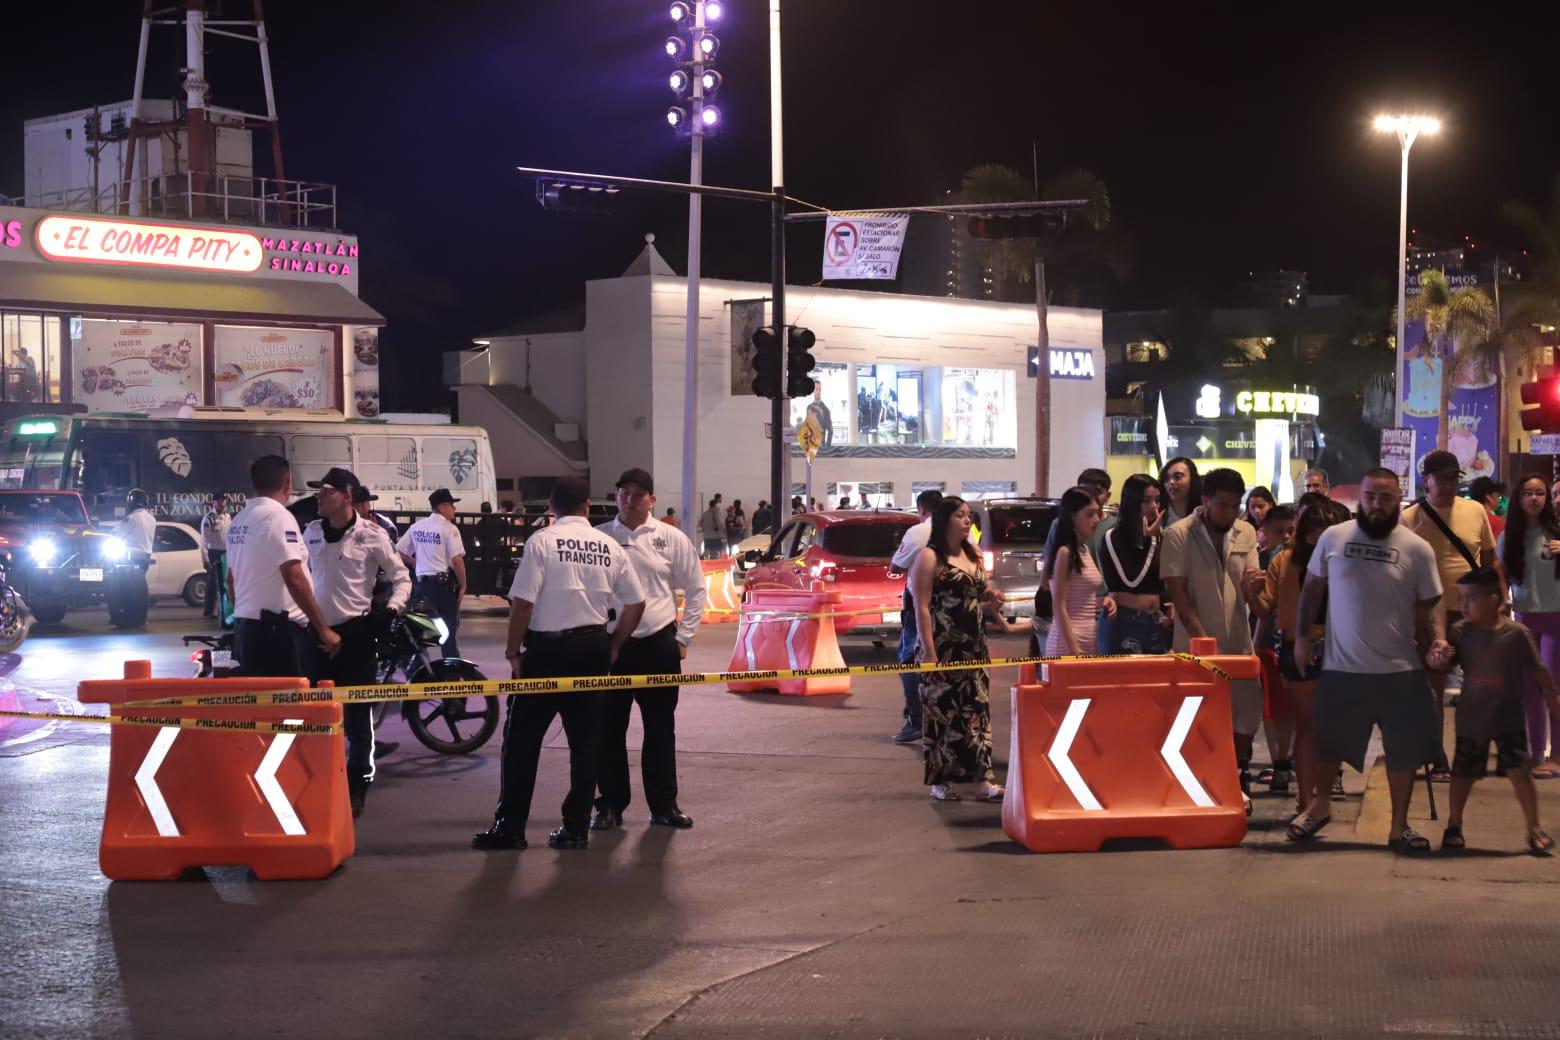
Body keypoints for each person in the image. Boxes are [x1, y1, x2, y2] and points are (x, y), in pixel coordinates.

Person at [473, 477, 645, 852]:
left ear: (551, 507)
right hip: (593, 649)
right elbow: (635, 603)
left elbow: (522, 603)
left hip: (547, 654)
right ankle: (576, 828)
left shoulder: (543, 541)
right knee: (586, 743)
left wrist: (513, 652)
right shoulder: (609, 545)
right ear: (586, 506)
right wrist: (614, 645)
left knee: (521, 741)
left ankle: (511, 827)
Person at [1289, 468, 1446, 849]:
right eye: (1371, 497)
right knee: (1330, 744)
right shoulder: (1333, 538)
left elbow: (1431, 604)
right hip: (1343, 668)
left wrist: (1438, 640)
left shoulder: (1416, 548)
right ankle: (1319, 808)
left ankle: (1399, 826)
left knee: (1404, 751)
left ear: (1399, 500)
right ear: (1360, 498)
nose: (1377, 505)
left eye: (1386, 498)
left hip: (1400, 670)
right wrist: (1300, 638)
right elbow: (1311, 591)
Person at [592, 468, 706, 831]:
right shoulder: (600, 538)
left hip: (658, 644)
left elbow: (697, 589)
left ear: (652, 500)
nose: (630, 500)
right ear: (616, 496)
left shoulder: (671, 539)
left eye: (639, 494)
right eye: (624, 493)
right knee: (609, 729)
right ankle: (609, 805)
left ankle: (664, 804)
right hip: (613, 647)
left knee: (660, 729)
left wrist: (683, 639)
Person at [302, 467, 411, 817]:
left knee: (359, 716)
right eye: (318, 492)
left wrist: (389, 612)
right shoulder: (311, 533)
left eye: (326, 492)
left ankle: (357, 784)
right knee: (316, 714)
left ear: (347, 497)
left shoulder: (373, 535)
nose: (318, 498)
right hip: (318, 635)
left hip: (357, 636)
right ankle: (317, 780)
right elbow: (299, 580)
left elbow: (402, 578)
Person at [1429, 569, 1558, 852]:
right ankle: (1454, 823)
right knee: (1463, 774)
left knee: (1520, 772)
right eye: (1461, 599)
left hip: (1508, 718)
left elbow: (1538, 669)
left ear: (1495, 599)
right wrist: (1439, 658)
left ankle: (1533, 827)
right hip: (1471, 718)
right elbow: (1448, 663)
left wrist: (1552, 700)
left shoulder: (1516, 634)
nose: (1464, 606)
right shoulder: (1461, 632)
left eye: (1471, 599)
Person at [908, 496, 1026, 802]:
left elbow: (980, 591)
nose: (967, 520)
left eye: (968, 515)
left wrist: (992, 595)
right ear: (945, 520)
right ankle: (941, 781)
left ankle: (981, 780)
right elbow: (921, 607)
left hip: (975, 646)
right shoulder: (930, 558)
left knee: (976, 711)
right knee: (942, 712)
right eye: (960, 515)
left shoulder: (973, 555)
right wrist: (928, 651)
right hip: (943, 646)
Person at [1161, 467, 1266, 811]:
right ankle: (1200, 783)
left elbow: (1250, 588)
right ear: (1205, 501)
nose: (1230, 513)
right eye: (1222, 505)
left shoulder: (1246, 532)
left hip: (1239, 644)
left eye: (1236, 506)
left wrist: (1255, 591)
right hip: (1194, 649)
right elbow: (1180, 596)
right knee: (1198, 719)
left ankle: (1233, 774)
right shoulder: (1178, 534)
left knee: (1246, 714)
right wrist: (1205, 647)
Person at [1402, 449, 1501, 781]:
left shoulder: (1474, 511)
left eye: (1452, 479)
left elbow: (1489, 561)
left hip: (1472, 613)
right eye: (1440, 478)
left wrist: (1498, 601)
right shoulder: (1410, 517)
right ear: (1425, 480)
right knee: (1434, 687)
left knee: (1480, 685)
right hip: (1429, 612)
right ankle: (1436, 755)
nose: (1447, 485)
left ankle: (1473, 752)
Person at [1256, 498, 1340, 823]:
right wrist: (1251, 592)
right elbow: (1265, 608)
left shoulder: (1342, 562)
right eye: (1315, 534)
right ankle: (1307, 802)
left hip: (1336, 648)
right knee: (1308, 727)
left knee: (1323, 728)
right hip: (1297, 648)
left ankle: (1316, 800)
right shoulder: (1285, 561)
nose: (1320, 542)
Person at [225, 455, 340, 678]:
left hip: (245, 630)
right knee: (286, 707)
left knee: (259, 708)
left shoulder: (238, 521)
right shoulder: (278, 517)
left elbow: (230, 579)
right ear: (287, 484)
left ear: (253, 484)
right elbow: (294, 577)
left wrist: (246, 613)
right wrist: (323, 630)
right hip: (278, 636)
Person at [1498, 473, 1560, 779]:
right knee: (1531, 689)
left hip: (1557, 616)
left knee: (1553, 687)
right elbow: (1501, 574)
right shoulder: (1509, 536)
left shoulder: (1556, 531)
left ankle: (1557, 755)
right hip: (1524, 619)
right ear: (1518, 499)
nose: (1534, 498)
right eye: (1527, 493)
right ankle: (1537, 752)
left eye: (1540, 493)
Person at [888, 488, 943, 744]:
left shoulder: (917, 532)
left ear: (921, 509)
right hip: (954, 606)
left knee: (909, 659)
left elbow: (896, 566)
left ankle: (917, 719)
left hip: (919, 602)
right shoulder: (961, 533)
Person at [1097, 474, 1172, 654]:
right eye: (1146, 501)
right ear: (1132, 502)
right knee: (1125, 680)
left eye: (1157, 500)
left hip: (1155, 622)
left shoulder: (1158, 537)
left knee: (1156, 681)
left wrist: (1169, 604)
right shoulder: (1113, 536)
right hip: (1125, 622)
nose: (1154, 507)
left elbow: (1158, 580)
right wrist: (1150, 542)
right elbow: (1131, 580)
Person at [396, 489, 468, 659]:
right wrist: (464, 585)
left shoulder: (417, 527)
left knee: (418, 635)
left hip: (421, 589)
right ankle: (452, 676)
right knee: (448, 637)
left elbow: (398, 550)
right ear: (442, 507)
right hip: (442, 590)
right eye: (452, 505)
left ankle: (420, 673)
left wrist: (417, 562)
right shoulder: (450, 529)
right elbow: (457, 561)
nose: (454, 509)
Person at [1045, 487, 1116, 656]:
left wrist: (1103, 601)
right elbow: (1059, 605)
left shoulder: (1082, 550)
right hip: (1067, 645)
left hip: (1087, 640)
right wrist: (1073, 649)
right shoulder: (1065, 553)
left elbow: (1079, 599)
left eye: (1098, 513)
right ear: (1072, 516)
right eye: (1089, 514)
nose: (1097, 519)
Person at [198, 493, 230, 619]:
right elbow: (204, 541)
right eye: (219, 501)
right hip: (214, 553)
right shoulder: (209, 518)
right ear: (214, 503)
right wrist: (205, 559)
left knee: (225, 584)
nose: (222, 503)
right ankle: (208, 611)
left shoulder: (227, 517)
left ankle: (223, 611)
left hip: (226, 553)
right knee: (212, 584)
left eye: (223, 501)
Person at [1159, 457, 1201, 525]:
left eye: (1177, 476)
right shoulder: (1158, 509)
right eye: (1167, 478)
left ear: (1192, 479)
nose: (1171, 482)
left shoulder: (1203, 510)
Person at [806, 380, 834, 447]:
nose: (818, 391)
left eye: (819, 389)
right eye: (816, 389)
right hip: (811, 447)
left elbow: (830, 430)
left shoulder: (825, 409)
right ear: (813, 391)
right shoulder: (809, 408)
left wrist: (827, 448)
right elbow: (808, 427)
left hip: (821, 447)